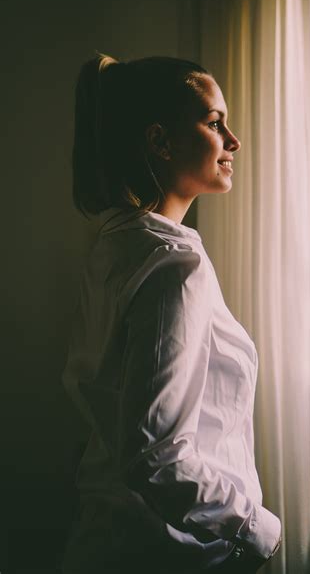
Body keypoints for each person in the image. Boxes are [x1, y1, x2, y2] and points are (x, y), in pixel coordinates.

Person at [61, 53, 282, 573]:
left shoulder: (116, 246)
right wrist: (257, 528)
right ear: (160, 142)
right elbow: (155, 456)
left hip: (114, 539)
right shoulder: (173, 266)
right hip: (164, 553)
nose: (234, 140)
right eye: (213, 122)